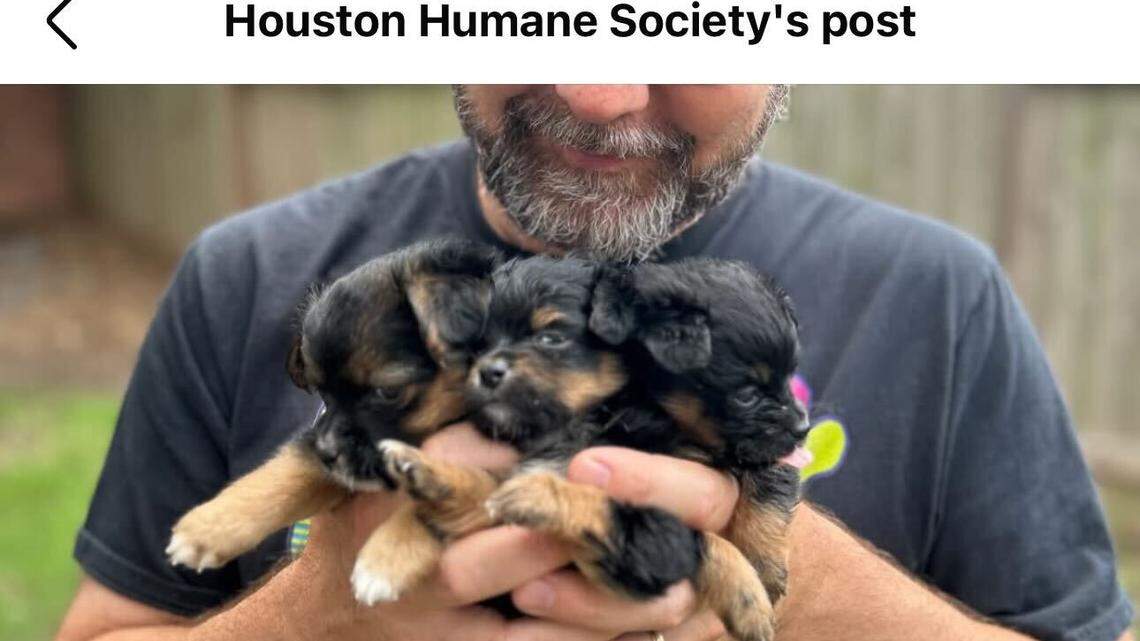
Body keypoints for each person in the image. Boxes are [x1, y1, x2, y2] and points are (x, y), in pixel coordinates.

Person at [55, 85, 1134, 641]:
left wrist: (781, 577)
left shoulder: (936, 294)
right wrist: (306, 618)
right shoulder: (250, 273)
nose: (603, 86)